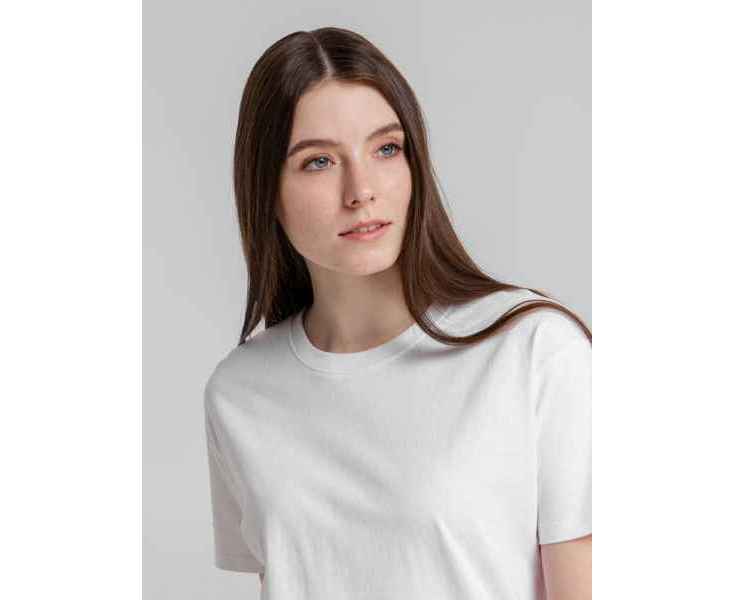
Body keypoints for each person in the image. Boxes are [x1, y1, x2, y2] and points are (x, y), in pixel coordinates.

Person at [204, 27, 591, 600]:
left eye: (386, 149)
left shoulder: (533, 350)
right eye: (318, 161)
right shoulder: (240, 393)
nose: (361, 190)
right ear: (267, 190)